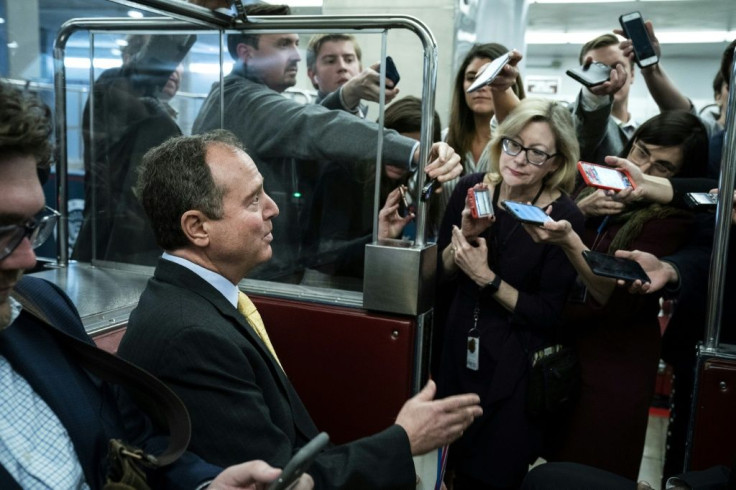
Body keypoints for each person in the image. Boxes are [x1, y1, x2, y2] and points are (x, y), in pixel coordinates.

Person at [118, 130, 483, 490]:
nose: (273, 208)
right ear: (197, 227)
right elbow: (280, 479)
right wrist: (402, 442)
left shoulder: (201, 302)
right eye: (252, 200)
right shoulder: (190, 337)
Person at [0, 80, 312, 490]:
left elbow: (128, 443)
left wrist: (205, 487)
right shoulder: (187, 331)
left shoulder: (40, 310)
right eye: (3, 230)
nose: (26, 258)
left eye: (30, 227)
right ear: (196, 227)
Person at [192, 4, 461, 282]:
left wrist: (347, 94)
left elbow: (304, 121)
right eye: (283, 44)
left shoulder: (242, 97)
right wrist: (415, 151)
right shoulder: (244, 101)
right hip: (251, 278)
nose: (296, 55)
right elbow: (313, 124)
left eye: (296, 43)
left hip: (257, 271)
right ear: (246, 55)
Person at [524, 111, 709, 481]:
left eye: (663, 167)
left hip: (615, 362)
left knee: (593, 469)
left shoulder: (673, 219)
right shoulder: (592, 190)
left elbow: (610, 285)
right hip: (563, 349)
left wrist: (571, 234)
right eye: (640, 152)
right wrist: (579, 209)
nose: (643, 168)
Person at [435, 97, 584, 489]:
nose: (518, 159)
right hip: (457, 351)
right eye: (513, 144)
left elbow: (549, 314)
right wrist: (462, 241)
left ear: (554, 163)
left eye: (536, 153)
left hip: (515, 371)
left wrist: (489, 280)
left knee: (489, 477)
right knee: (443, 472)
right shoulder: (472, 188)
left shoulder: (563, 219)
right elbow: (440, 272)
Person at [73, 32, 194, 265]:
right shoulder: (110, 88)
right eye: (169, 64)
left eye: (177, 65)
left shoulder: (156, 110)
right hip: (114, 246)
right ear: (129, 59)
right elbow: (141, 74)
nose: (174, 72)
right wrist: (186, 17)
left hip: (145, 241)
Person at [301, 96, 442, 289]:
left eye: (411, 154)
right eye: (397, 147)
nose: (401, 160)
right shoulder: (344, 170)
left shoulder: (400, 180)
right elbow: (326, 257)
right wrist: (379, 240)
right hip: (329, 290)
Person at [441, 43, 525, 212]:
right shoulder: (444, 139)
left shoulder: (520, 141)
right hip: (448, 235)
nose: (481, 86)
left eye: (490, 77)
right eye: (472, 78)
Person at [306, 33, 399, 117]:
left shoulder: (364, 115)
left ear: (361, 69)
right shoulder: (306, 121)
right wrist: (349, 92)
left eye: (349, 60)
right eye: (330, 61)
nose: (342, 67)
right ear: (313, 75)